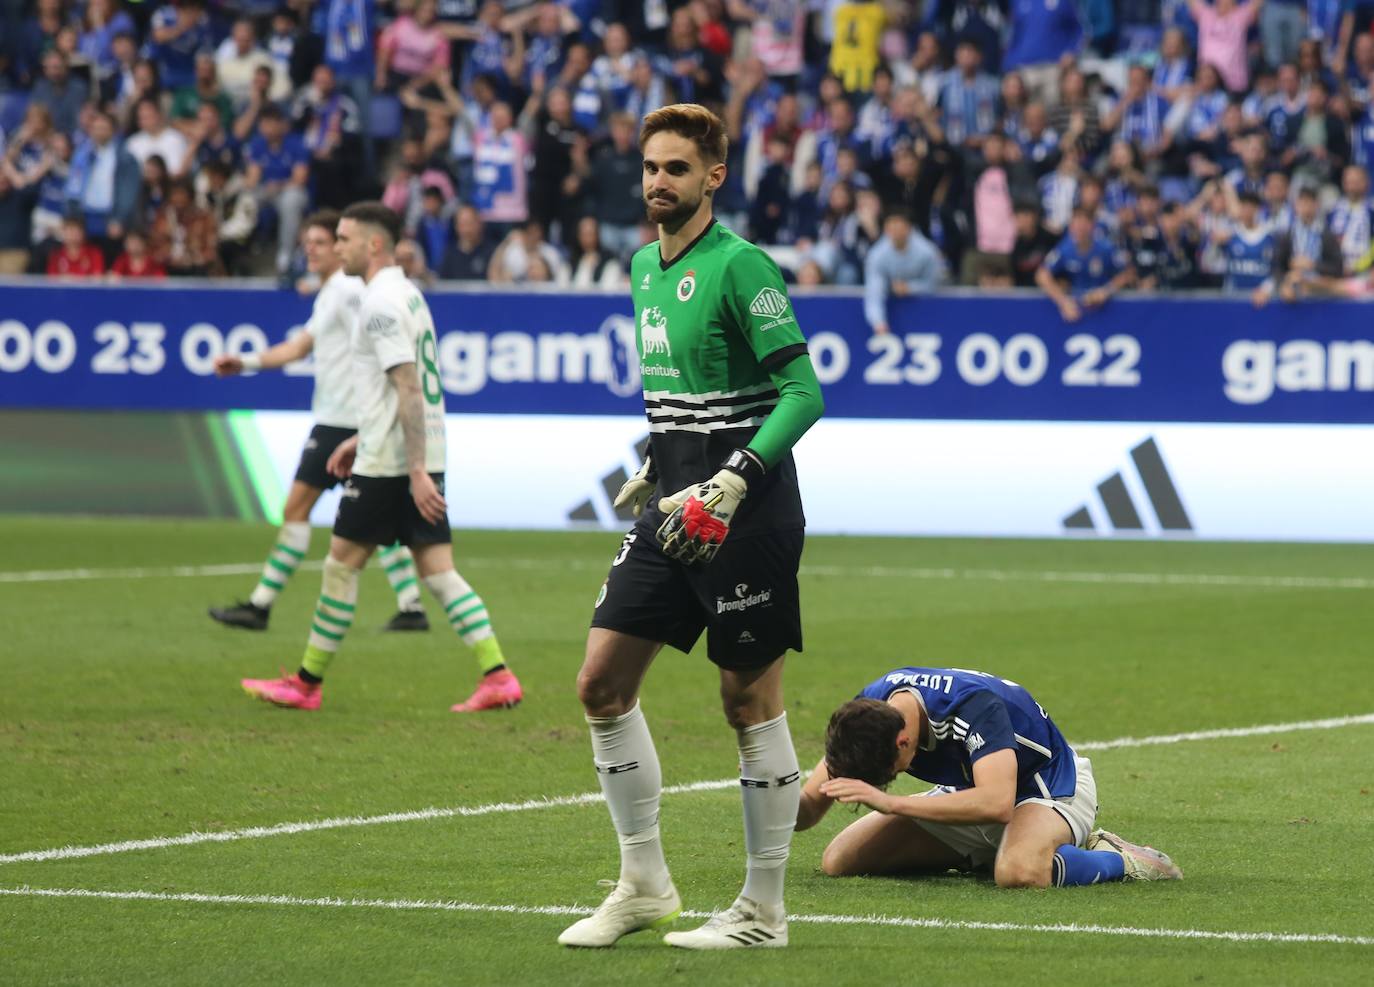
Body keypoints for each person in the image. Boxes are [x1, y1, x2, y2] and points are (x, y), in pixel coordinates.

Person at [557, 103, 824, 951]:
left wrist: (736, 479)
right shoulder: (641, 266)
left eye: (676, 168)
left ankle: (763, 911)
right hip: (672, 506)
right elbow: (685, 392)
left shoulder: (744, 267)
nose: (657, 183)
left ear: (713, 177)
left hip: (745, 512)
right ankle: (643, 883)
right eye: (649, 168)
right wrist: (656, 458)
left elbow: (804, 395)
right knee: (601, 682)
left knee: (746, 699)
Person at [241, 202, 523, 714]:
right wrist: (365, 439)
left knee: (340, 566)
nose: (338, 246)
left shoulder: (378, 305)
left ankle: (306, 683)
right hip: (416, 451)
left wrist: (411, 469)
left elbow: (408, 388)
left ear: (373, 244)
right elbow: (401, 389)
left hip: (394, 464)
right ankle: (498, 675)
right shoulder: (407, 294)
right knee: (437, 571)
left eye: (344, 239)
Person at [211, 210, 430, 634]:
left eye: (321, 243)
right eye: (306, 243)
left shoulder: (350, 292)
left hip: (340, 422)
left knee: (297, 509)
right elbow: (299, 348)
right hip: (351, 421)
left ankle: (260, 605)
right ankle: (411, 606)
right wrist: (246, 362)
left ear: (342, 246)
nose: (310, 250)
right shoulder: (334, 290)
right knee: (372, 517)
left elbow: (376, 339)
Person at [795, 666, 1184, 887]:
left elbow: (998, 803)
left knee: (1018, 873)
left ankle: (1119, 859)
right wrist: (768, 786)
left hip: (1049, 790)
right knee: (841, 860)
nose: (885, 783)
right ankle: (997, 851)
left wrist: (892, 803)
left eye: (887, 775)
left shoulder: (971, 706)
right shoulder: (867, 717)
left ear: (903, 741)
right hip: (970, 793)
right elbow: (809, 808)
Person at [1035, 206, 1135, 322]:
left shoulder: (1106, 248)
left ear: (1093, 226)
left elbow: (1129, 272)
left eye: (1084, 225)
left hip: (1104, 310)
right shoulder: (1064, 249)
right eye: (1076, 224)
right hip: (1077, 309)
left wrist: (1106, 291)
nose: (1080, 229)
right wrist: (1063, 301)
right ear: (1071, 226)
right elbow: (1042, 275)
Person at [862, 209, 944, 335]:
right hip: (892, 303)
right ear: (885, 229)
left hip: (926, 312)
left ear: (909, 228)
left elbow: (933, 284)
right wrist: (878, 322)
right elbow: (874, 291)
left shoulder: (927, 252)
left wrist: (910, 288)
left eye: (898, 226)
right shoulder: (876, 255)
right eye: (891, 226)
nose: (894, 231)